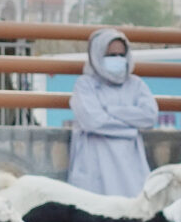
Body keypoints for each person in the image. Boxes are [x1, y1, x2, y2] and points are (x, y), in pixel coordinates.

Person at [67, 28, 159, 197]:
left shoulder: (136, 85)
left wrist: (110, 109)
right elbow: (93, 121)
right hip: (95, 161)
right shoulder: (85, 85)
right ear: (97, 55)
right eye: (111, 55)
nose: (117, 59)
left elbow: (149, 116)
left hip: (130, 165)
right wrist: (131, 128)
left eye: (121, 55)